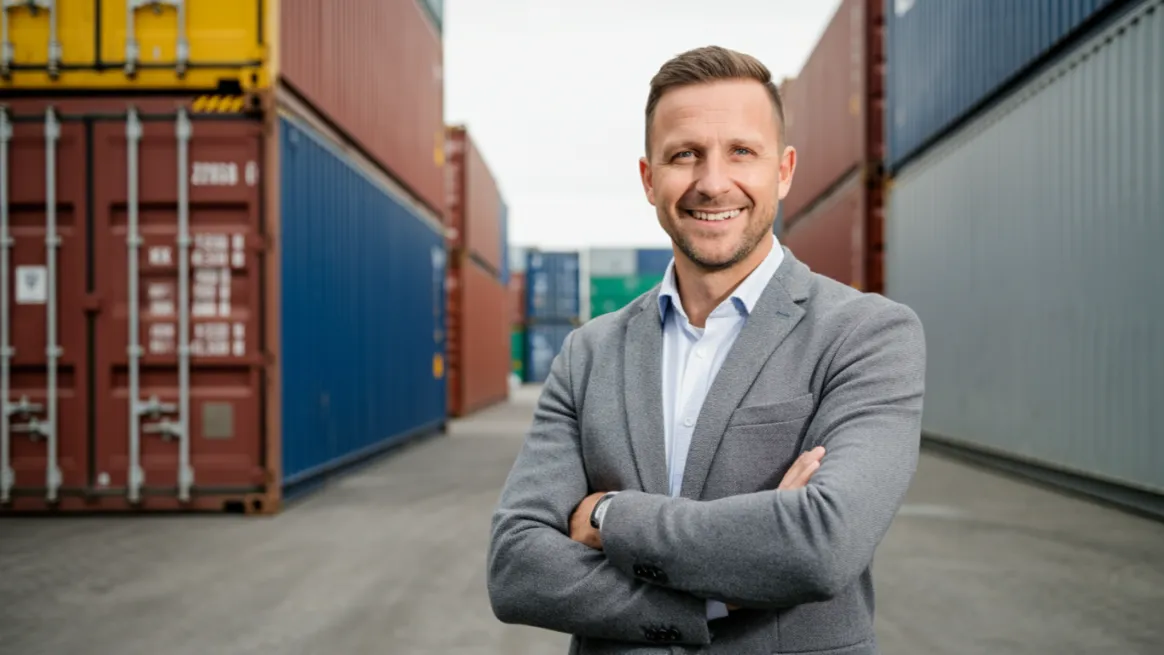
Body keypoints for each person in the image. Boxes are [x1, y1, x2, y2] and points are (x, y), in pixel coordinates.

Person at [486, 45, 926, 654]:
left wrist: (610, 515)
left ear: (784, 170)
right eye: (684, 154)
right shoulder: (587, 354)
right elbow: (516, 569)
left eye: (742, 151)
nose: (713, 183)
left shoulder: (867, 334)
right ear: (649, 179)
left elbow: (822, 545)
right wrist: (726, 587)